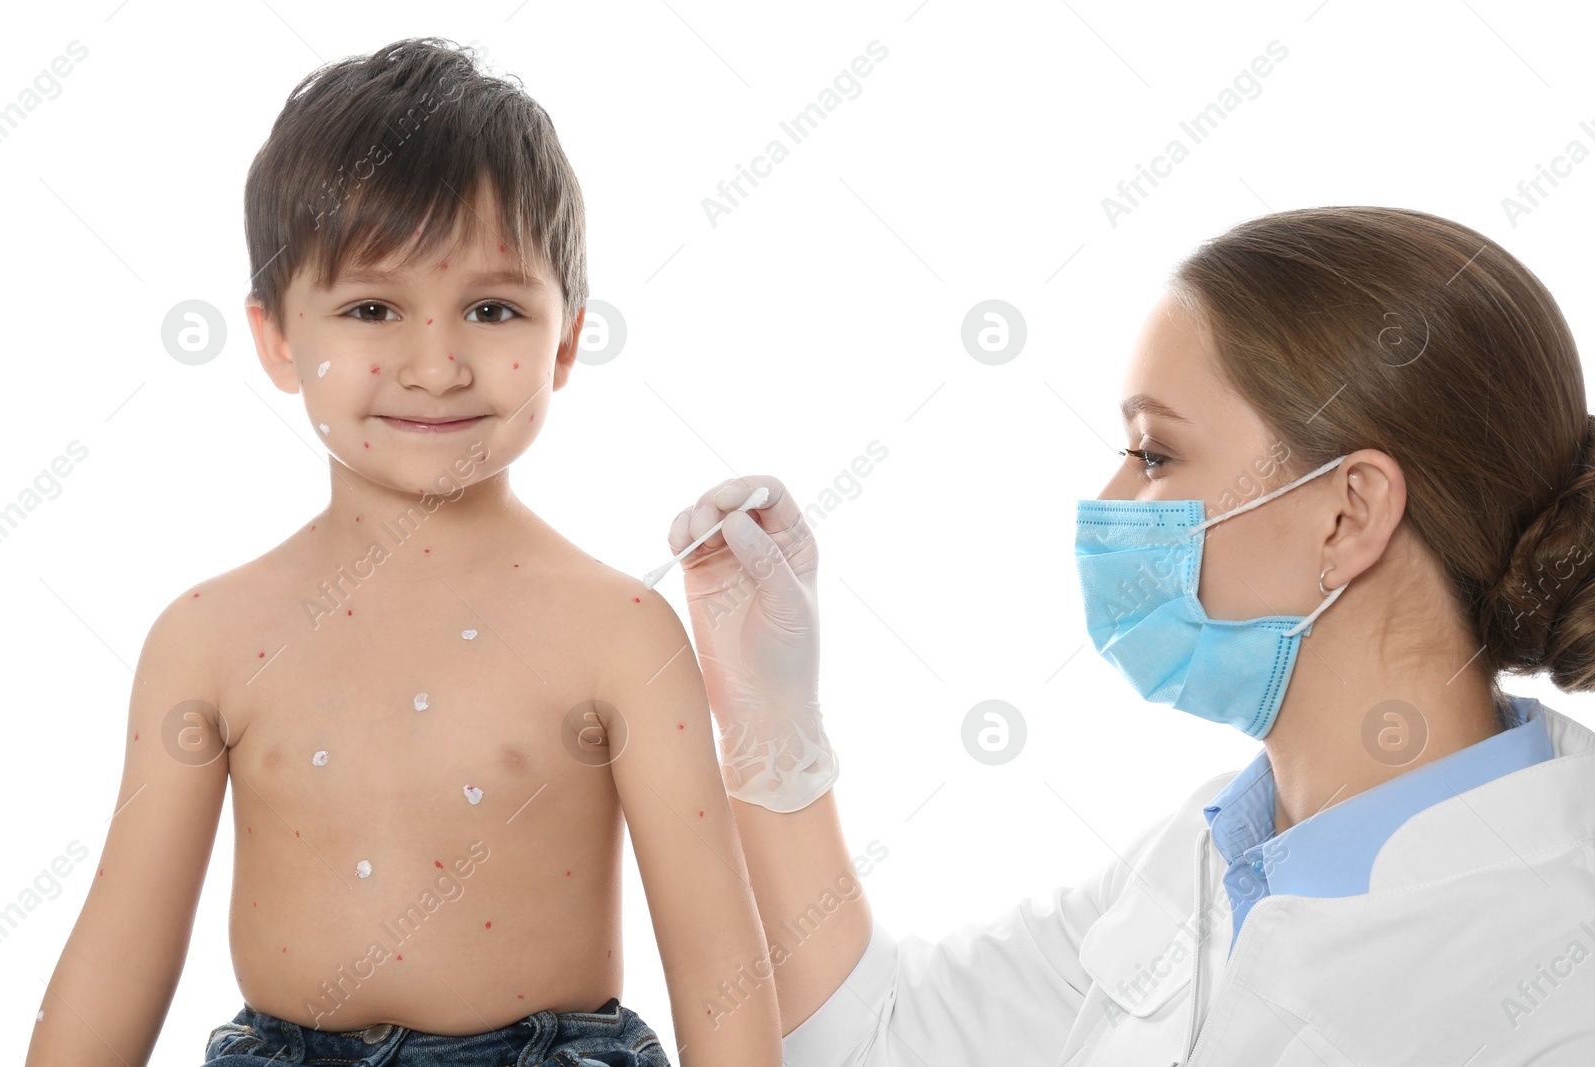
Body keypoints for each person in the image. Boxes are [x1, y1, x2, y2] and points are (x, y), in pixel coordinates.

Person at [665, 206, 1595, 1065]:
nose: (1112, 504)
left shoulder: (1559, 966)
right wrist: (769, 715)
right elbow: (878, 1039)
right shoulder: (1204, 858)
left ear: (1348, 515)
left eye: (1156, 454)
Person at [25, 38, 781, 1067]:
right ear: (278, 339)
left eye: (493, 308)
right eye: (372, 309)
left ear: (565, 341)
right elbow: (118, 953)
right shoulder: (209, 638)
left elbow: (717, 967)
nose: (435, 365)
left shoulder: (618, 634)